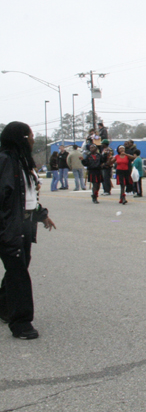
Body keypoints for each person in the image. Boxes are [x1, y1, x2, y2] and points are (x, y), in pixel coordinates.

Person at [0, 122, 57, 340]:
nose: (34, 139)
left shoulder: (22, 162)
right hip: (10, 227)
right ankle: (21, 323)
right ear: (22, 138)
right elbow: (4, 199)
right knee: (18, 275)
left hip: (24, 225)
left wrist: (41, 215)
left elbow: (27, 198)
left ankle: (4, 306)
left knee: (19, 268)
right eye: (31, 135)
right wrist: (6, 229)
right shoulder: (5, 161)